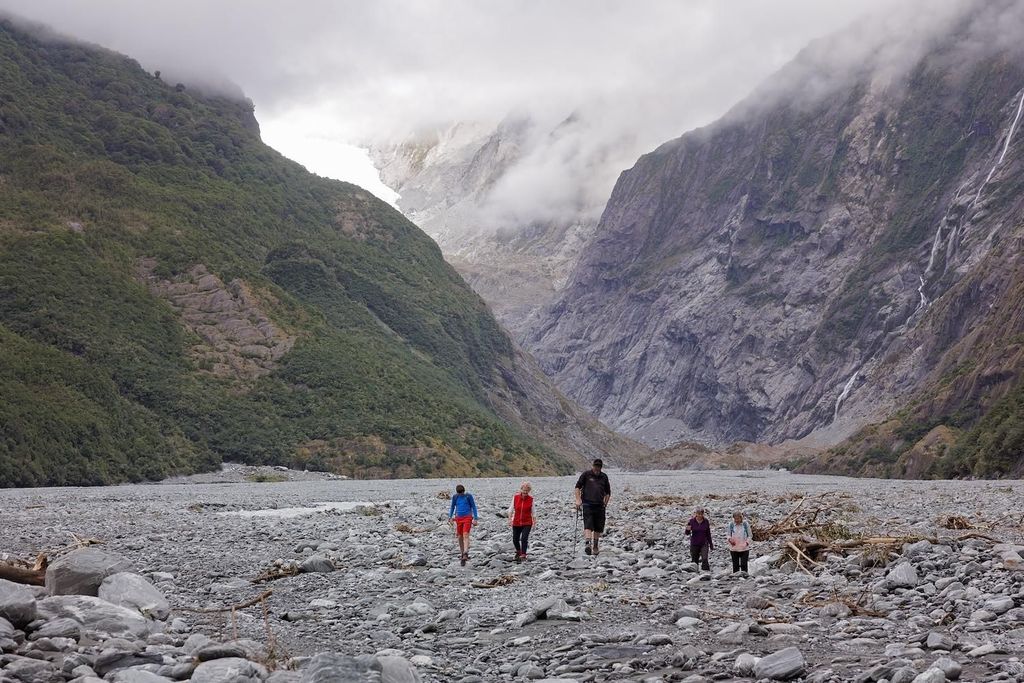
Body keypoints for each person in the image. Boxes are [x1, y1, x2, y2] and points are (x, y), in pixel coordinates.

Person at [574, 458, 611, 556]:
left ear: (601, 467)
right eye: (595, 466)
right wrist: (578, 500)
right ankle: (587, 544)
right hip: (587, 504)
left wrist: (605, 503)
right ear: (593, 466)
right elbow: (577, 487)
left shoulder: (604, 477)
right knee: (588, 524)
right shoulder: (586, 475)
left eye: (599, 466)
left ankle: (595, 545)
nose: (597, 468)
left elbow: (608, 492)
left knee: (598, 527)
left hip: (600, 505)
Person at [448, 484, 478, 566]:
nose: (461, 494)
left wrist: (475, 518)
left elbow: (474, 507)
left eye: (462, 493)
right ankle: (462, 553)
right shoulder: (455, 497)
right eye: (459, 493)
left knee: (465, 534)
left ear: (464, 491)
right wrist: (450, 517)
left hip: (467, 517)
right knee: (460, 536)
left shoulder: (468, 496)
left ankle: (465, 552)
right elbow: (452, 507)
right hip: (458, 518)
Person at [508, 481, 535, 562]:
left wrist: (535, 520)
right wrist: (509, 519)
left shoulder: (531, 499)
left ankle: (523, 554)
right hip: (516, 521)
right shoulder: (515, 498)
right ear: (521, 490)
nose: (525, 492)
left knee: (524, 538)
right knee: (515, 539)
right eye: (524, 490)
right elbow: (511, 509)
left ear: (529, 491)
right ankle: (518, 551)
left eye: (527, 491)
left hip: (527, 522)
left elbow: (533, 511)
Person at [685, 506, 713, 570]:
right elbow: (687, 533)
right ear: (696, 514)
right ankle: (694, 573)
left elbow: (708, 533)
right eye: (698, 514)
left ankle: (706, 573)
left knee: (705, 558)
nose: (700, 515)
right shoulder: (691, 521)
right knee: (694, 559)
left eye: (701, 514)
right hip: (694, 543)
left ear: (703, 514)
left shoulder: (706, 521)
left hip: (704, 543)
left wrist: (711, 544)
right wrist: (688, 530)